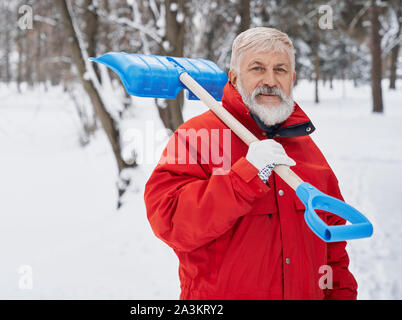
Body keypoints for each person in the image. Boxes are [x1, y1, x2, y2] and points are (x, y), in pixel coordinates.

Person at [144, 27, 357, 300]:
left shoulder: (305, 147)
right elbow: (170, 221)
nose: (270, 80)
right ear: (234, 77)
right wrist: (243, 177)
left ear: (292, 78)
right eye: (257, 68)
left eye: (280, 70)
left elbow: (333, 247)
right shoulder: (198, 136)